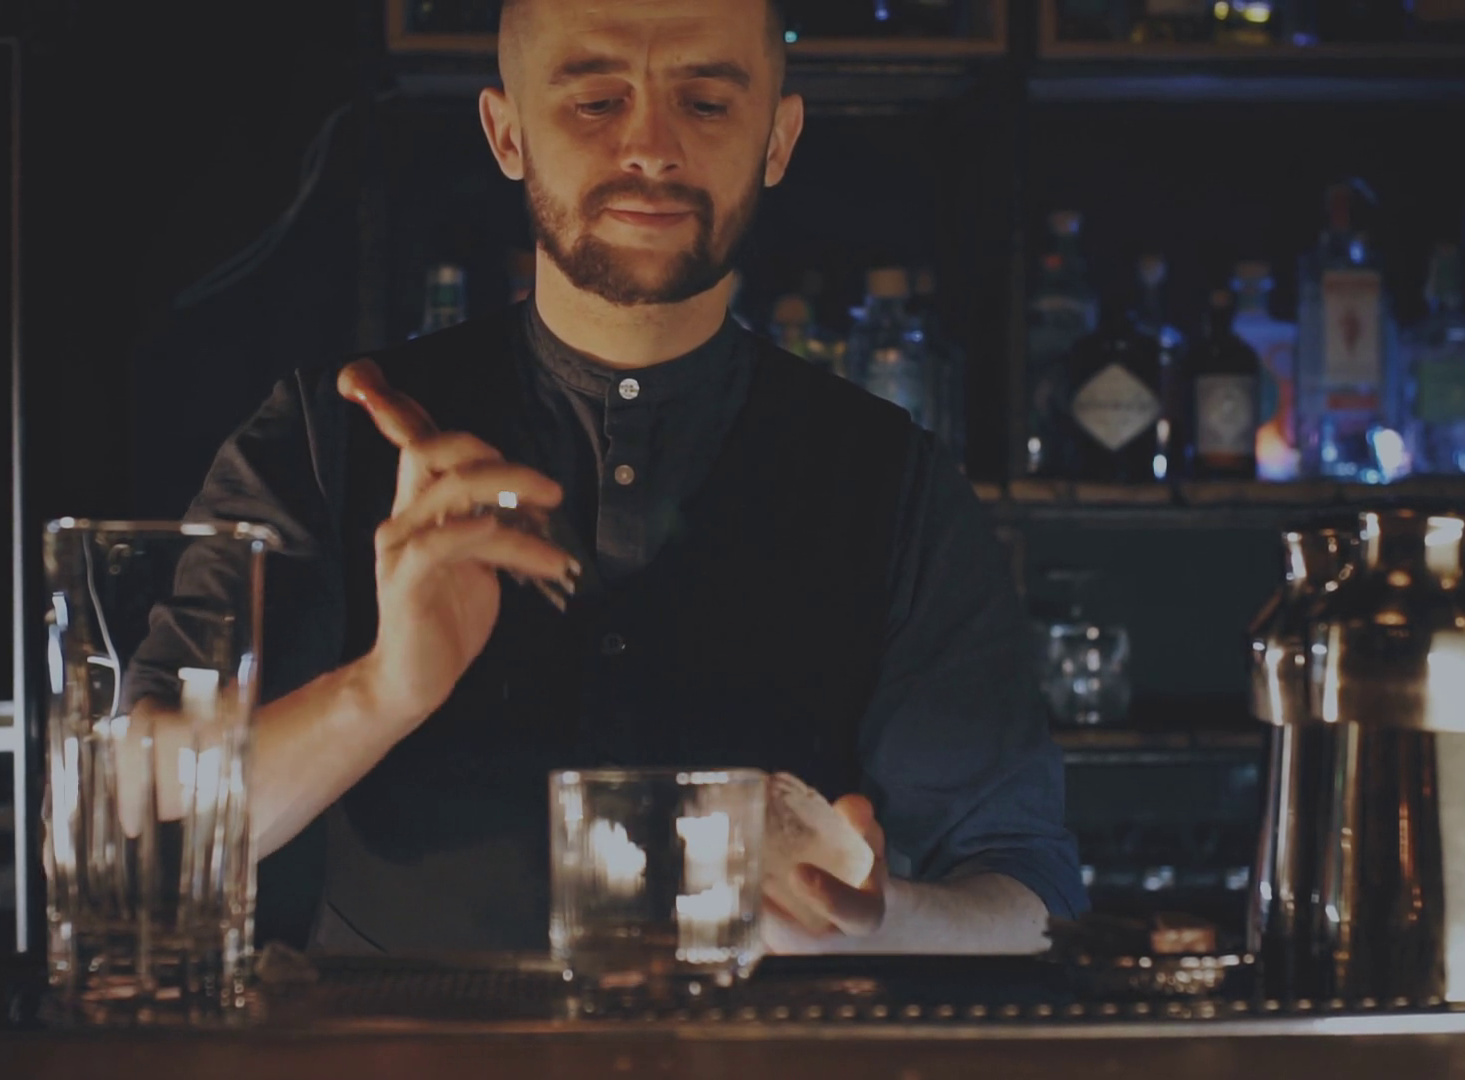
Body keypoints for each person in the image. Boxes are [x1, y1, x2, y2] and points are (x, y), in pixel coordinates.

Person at [148, 0, 1085, 955]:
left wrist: (874, 921)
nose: (651, 149)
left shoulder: (894, 481)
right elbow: (143, 830)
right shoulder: (324, 439)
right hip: (405, 1034)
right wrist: (383, 690)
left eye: (707, 104)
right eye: (596, 101)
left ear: (777, 139)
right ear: (507, 133)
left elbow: (1032, 893)